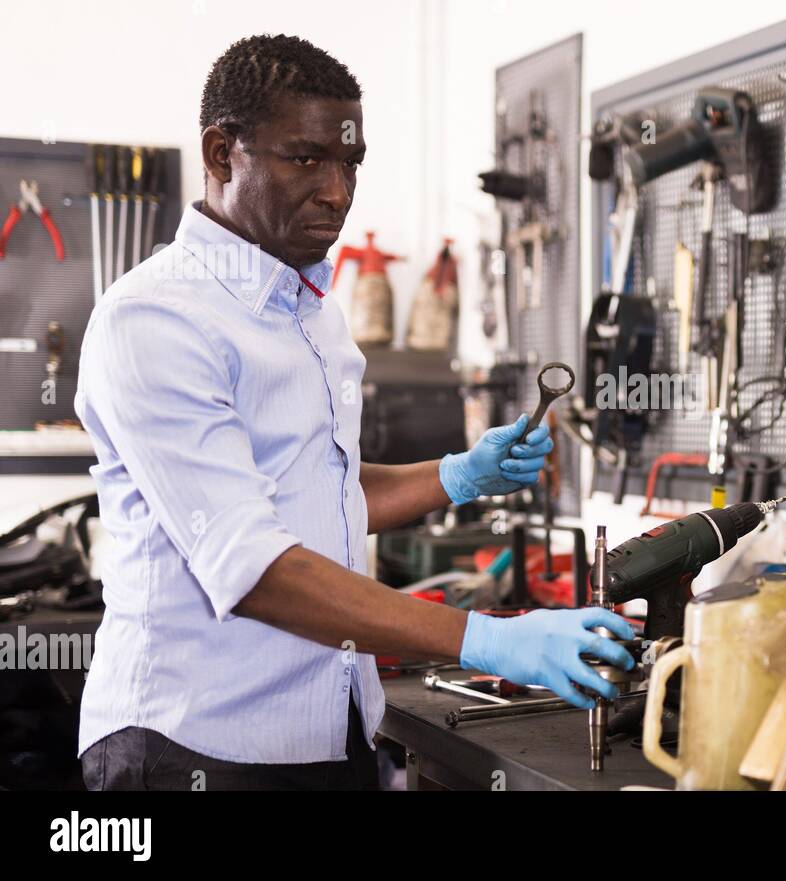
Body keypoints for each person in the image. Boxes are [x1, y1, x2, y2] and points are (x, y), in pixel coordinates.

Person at [74, 34, 632, 791]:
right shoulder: (155, 320)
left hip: (331, 729)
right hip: (193, 744)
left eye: (350, 163)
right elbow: (257, 568)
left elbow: (315, 489)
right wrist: (492, 640)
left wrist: (457, 475)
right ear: (219, 153)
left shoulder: (309, 308)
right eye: (305, 158)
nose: (337, 190)